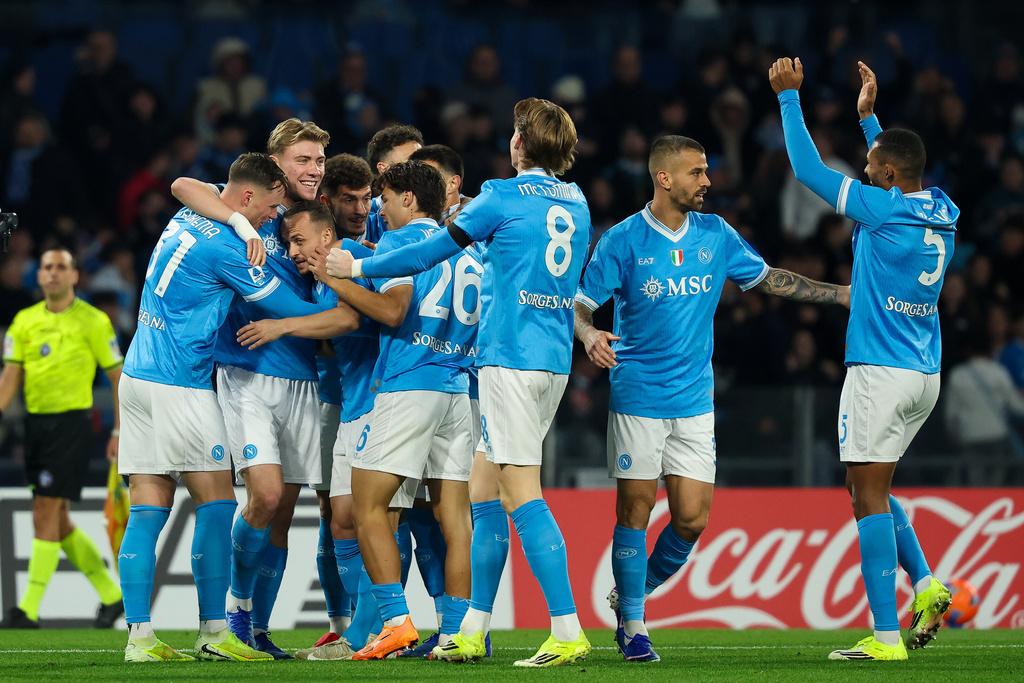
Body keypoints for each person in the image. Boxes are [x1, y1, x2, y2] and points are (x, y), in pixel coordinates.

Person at [324, 97, 593, 667]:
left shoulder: (501, 194)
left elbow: (434, 248)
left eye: (516, 130)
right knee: (480, 491)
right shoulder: (577, 200)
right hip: (552, 360)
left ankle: (567, 627)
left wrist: (359, 268)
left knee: (521, 492)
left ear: (521, 141)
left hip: (508, 360)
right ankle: (470, 626)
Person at [573, 134, 850, 662]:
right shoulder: (623, 240)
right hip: (637, 395)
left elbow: (767, 279)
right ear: (664, 178)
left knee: (692, 519)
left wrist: (835, 293)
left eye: (707, 171)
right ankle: (634, 625)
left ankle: (633, 590)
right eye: (697, 172)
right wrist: (588, 335)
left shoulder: (716, 234)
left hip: (694, 401)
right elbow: (580, 305)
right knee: (634, 508)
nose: (707, 181)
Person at [771, 57, 956, 661]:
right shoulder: (942, 209)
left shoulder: (883, 208)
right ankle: (926, 587)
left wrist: (790, 100)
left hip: (879, 368)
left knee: (868, 496)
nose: (867, 171)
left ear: (889, 176)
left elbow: (805, 168)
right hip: (923, 371)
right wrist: (871, 120)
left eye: (873, 166)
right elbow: (899, 167)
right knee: (867, 486)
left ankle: (885, 638)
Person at [115, 153, 321, 662]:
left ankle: (139, 639)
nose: (273, 218)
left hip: (136, 375)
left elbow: (183, 182)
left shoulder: (193, 213)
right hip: (180, 383)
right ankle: (213, 633)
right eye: (271, 207)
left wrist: (233, 217)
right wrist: (348, 298)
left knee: (146, 511)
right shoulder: (231, 250)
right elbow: (292, 310)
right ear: (248, 196)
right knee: (218, 503)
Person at [170, 118, 330, 659]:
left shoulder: (317, 220)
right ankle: (232, 610)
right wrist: (240, 223)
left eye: (319, 160)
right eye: (303, 160)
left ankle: (256, 628)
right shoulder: (246, 207)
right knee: (262, 495)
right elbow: (183, 187)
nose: (314, 170)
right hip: (245, 373)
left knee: (281, 515)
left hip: (303, 379)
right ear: (275, 165)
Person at [312, 161, 478, 660]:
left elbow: (391, 311)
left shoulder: (401, 243)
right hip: (457, 387)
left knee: (366, 507)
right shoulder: (467, 252)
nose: (379, 209)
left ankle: (395, 622)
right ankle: (456, 633)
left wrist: (333, 276)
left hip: (410, 385)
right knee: (454, 516)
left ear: (409, 199)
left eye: (384, 198)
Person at [235, 200, 379, 660]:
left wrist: (282, 327)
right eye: (288, 242)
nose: (293, 251)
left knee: (380, 516)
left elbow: (349, 319)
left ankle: (376, 629)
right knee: (341, 517)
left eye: (299, 240)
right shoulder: (318, 279)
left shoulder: (347, 258)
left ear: (325, 235)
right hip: (349, 402)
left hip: (385, 401)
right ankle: (363, 626)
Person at [0, 249, 125, 630]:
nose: (52, 274)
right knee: (60, 520)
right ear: (38, 277)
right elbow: (9, 378)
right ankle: (110, 595)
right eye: (47, 267)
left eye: (61, 268)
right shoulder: (23, 321)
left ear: (74, 276)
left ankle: (28, 610)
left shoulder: (93, 320)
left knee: (44, 513)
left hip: (71, 425)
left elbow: (118, 378)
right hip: (35, 427)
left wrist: (119, 430)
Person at [364, 124, 424, 244]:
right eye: (411, 162)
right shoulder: (364, 216)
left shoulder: (448, 205)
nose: (422, 168)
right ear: (384, 169)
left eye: (422, 160)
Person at [319, 153, 374, 241]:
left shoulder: (387, 227)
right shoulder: (313, 240)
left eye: (366, 199)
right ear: (326, 202)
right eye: (349, 201)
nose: (361, 211)